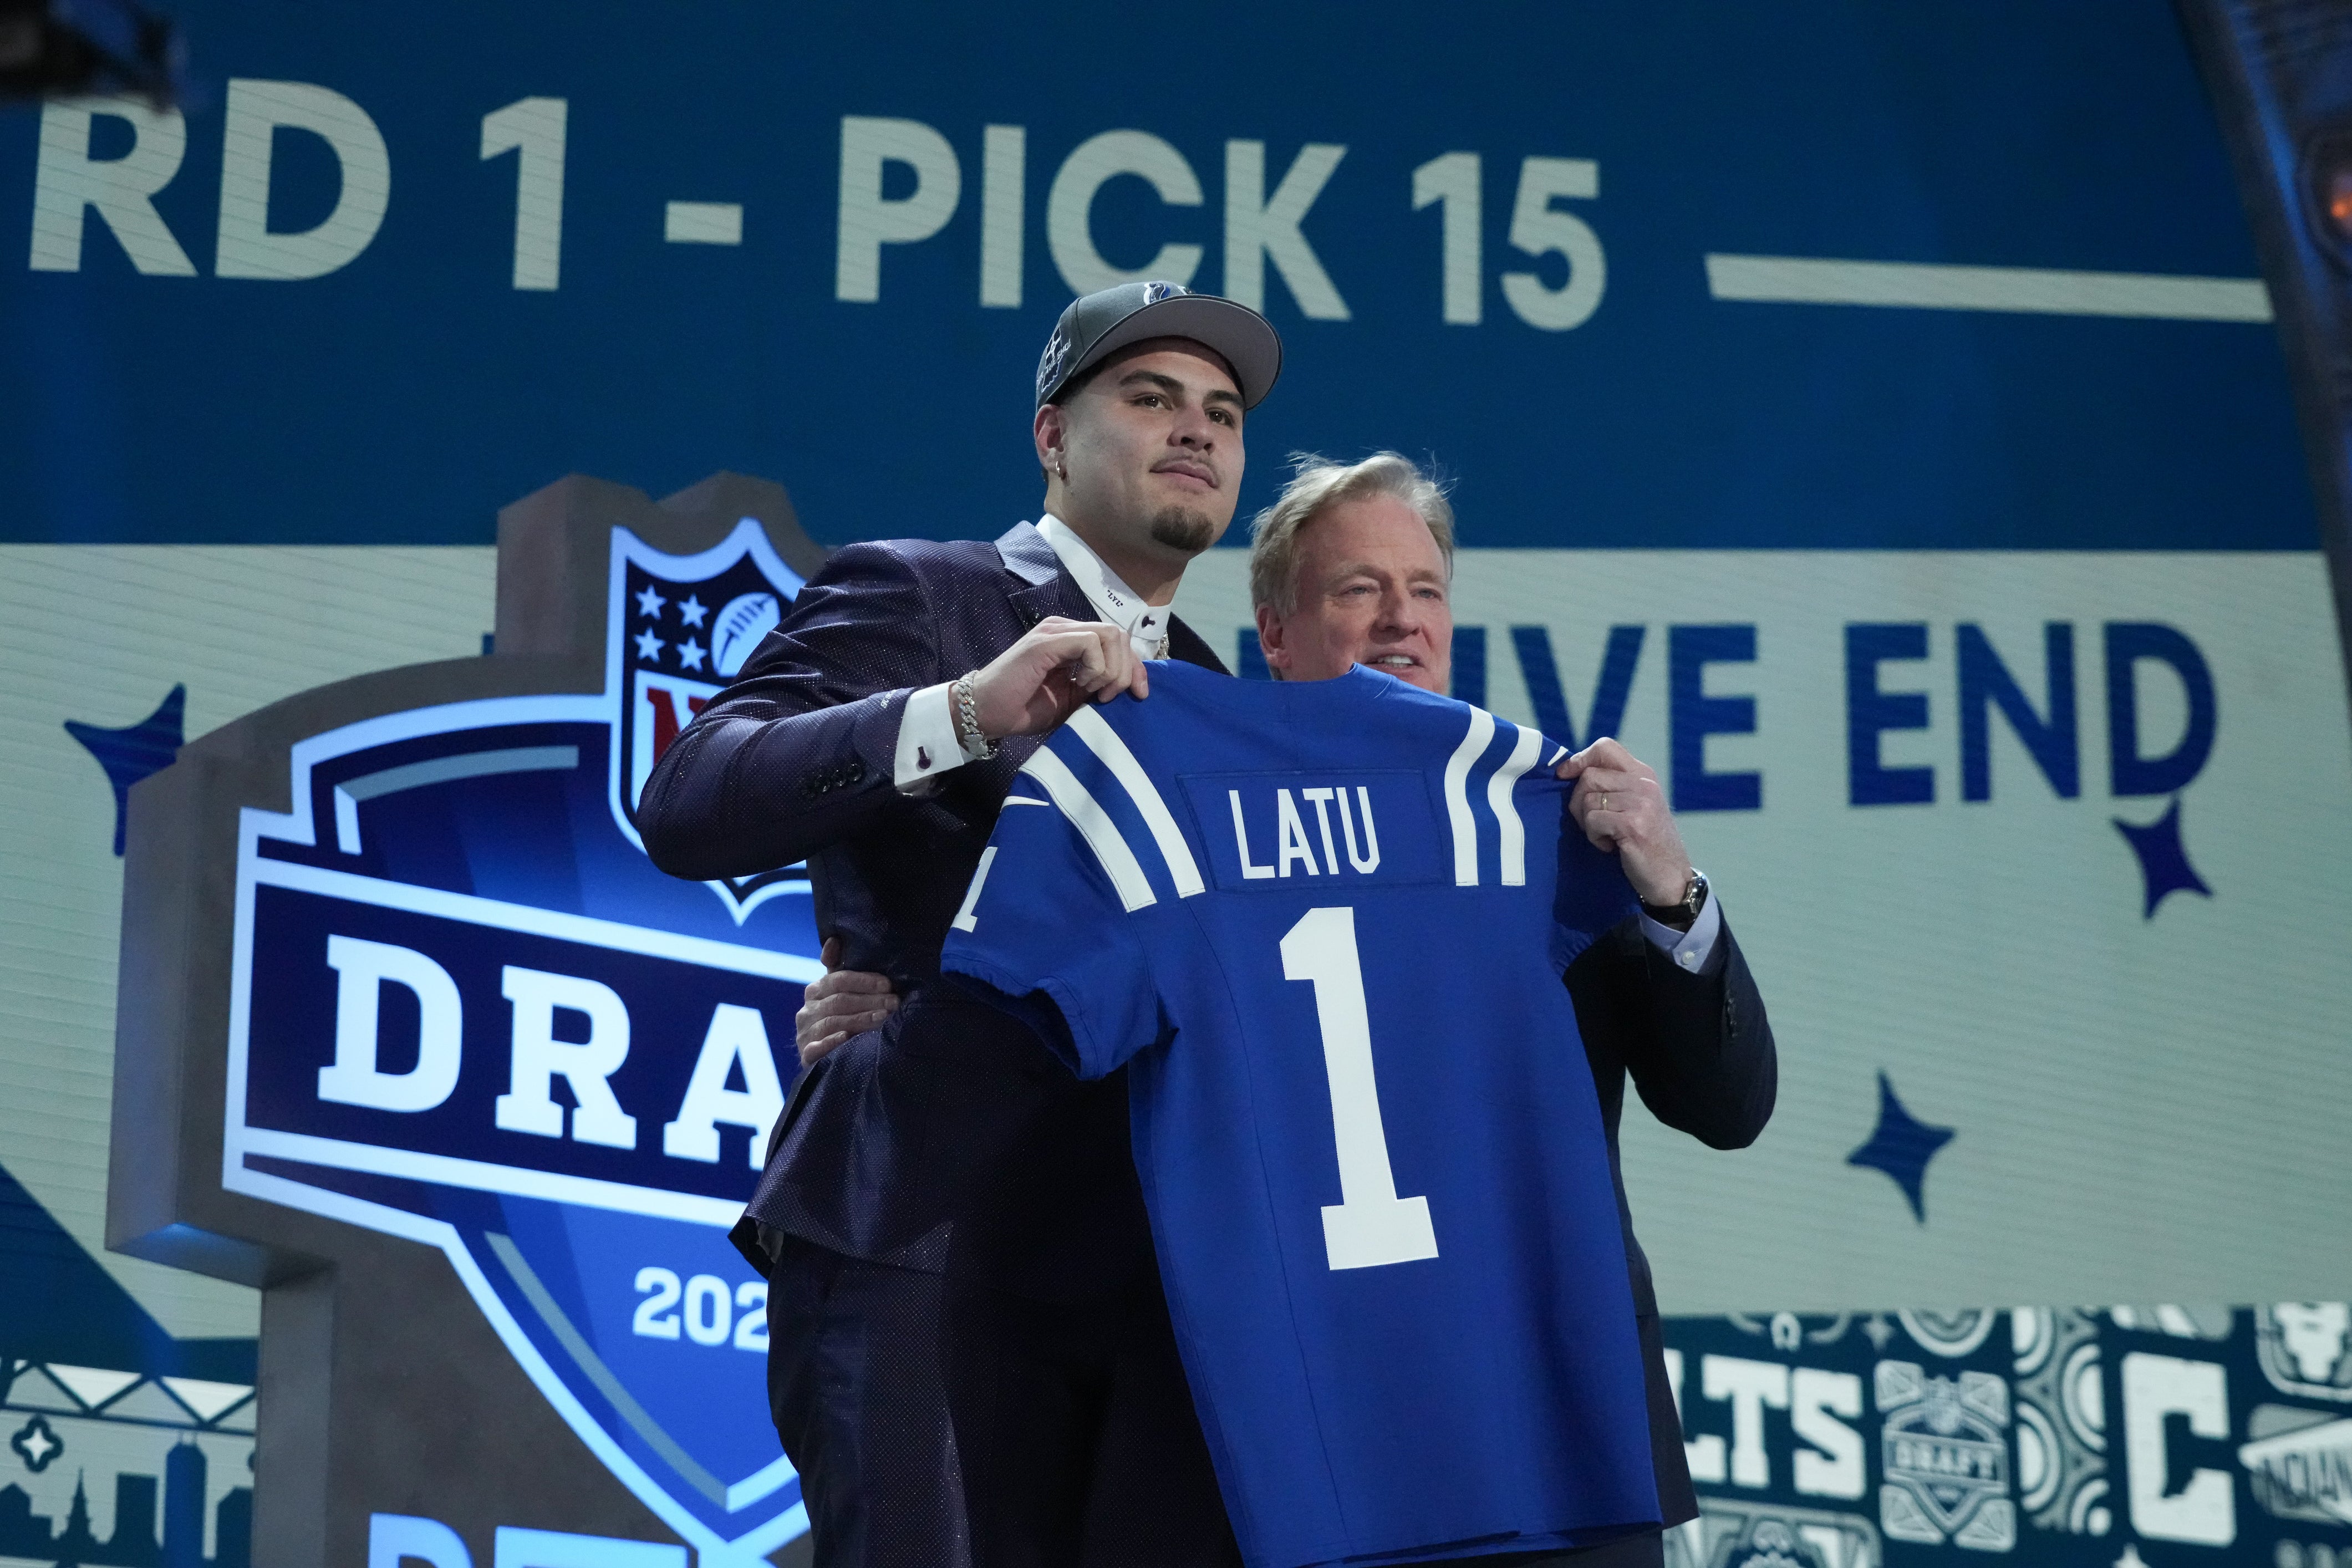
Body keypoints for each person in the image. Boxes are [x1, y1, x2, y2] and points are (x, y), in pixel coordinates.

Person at [800, 451, 1778, 1568]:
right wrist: (903, 1029)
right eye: (1359, 589)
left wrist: (1671, 887)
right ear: (1273, 632)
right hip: (1292, 1444)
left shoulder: (1548, 822)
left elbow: (1729, 1105)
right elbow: (1036, 1047)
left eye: (1426, 590)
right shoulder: (1181, 807)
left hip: (1547, 1433)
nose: (1403, 620)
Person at [637, 280, 1281, 1568]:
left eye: (1221, 410)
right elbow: (691, 798)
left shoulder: (1224, 702)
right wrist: (966, 712)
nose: (1196, 430)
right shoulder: (925, 594)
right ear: (1052, 437)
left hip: (1154, 1291)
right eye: (1149, 397)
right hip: (927, 1234)